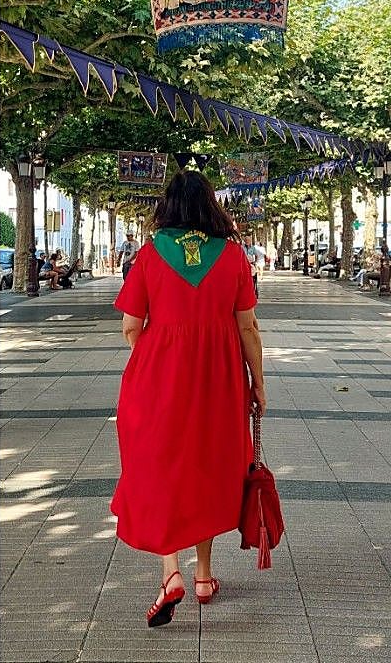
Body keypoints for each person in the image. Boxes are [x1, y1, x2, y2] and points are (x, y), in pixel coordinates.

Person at [111, 170, 265, 628]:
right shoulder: (234, 256)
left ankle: (170, 572)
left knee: (160, 468)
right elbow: (248, 327)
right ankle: (203, 577)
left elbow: (130, 327)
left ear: (168, 206)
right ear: (210, 205)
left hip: (158, 380)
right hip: (220, 382)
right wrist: (258, 382)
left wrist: (158, 359)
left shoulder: (149, 255)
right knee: (205, 467)